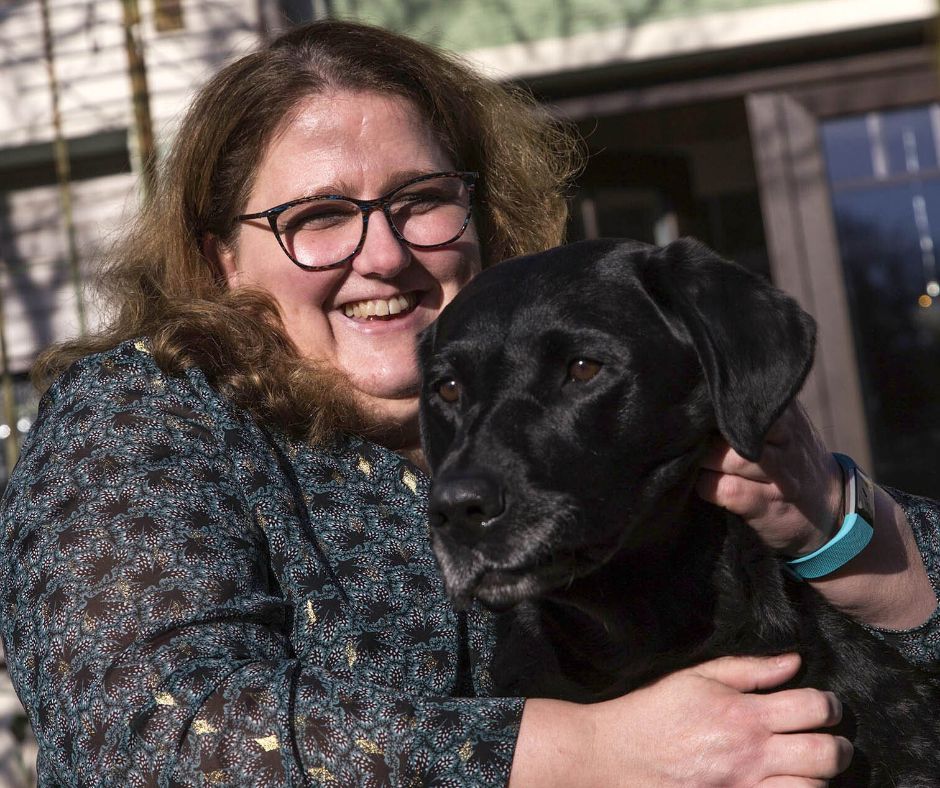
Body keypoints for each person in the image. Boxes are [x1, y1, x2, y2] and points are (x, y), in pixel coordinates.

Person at [0, 18, 937, 787]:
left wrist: (842, 529)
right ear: (224, 261)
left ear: (480, 216)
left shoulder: (611, 387)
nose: (383, 255)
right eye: (317, 218)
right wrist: (590, 753)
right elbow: (153, 737)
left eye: (420, 200)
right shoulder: (141, 417)